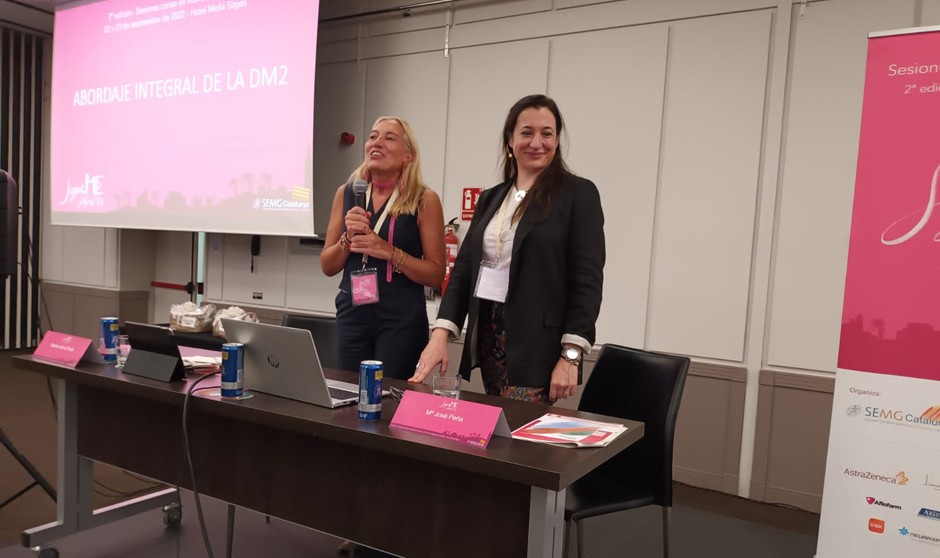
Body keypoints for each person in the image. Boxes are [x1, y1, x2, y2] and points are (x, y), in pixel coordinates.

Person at [410, 94, 605, 404]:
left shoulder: (577, 194)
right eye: (527, 132)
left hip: (538, 348)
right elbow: (463, 272)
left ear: (557, 141)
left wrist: (571, 356)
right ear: (510, 141)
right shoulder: (491, 198)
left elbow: (587, 282)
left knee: (521, 431)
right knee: (498, 427)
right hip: (490, 338)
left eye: (547, 133)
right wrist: (440, 335)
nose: (537, 142)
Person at [321, 116, 446, 380]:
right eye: (373, 136)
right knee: (349, 394)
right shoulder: (347, 193)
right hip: (352, 314)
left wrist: (389, 251)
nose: (376, 143)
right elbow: (328, 266)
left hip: (400, 320)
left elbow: (436, 275)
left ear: (408, 156)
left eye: (389, 138)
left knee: (387, 397)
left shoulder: (425, 199)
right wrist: (347, 239)